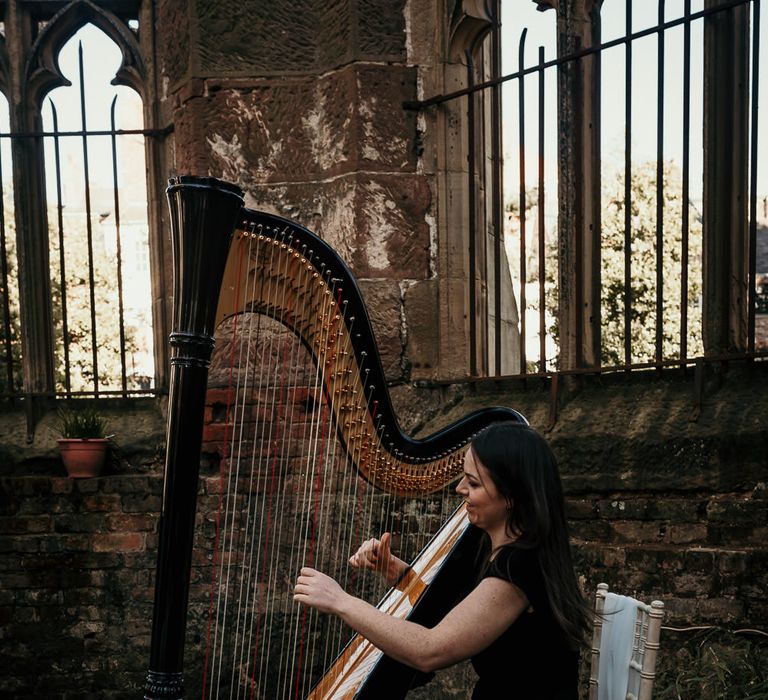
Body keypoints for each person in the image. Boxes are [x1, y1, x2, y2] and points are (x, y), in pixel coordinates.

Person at [293, 422, 591, 698]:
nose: (460, 488)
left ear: (510, 496)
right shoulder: (500, 550)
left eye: (473, 483)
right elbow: (459, 616)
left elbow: (430, 650)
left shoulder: (520, 566)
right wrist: (397, 573)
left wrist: (341, 601)